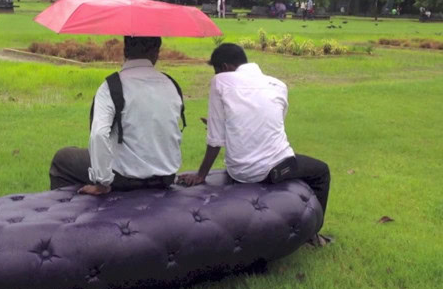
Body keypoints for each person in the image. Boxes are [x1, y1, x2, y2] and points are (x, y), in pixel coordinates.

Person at [178, 43, 331, 235]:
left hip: (244, 173)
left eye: (216, 70)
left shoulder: (220, 82)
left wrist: (201, 175)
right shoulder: (278, 85)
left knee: (319, 170)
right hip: (283, 166)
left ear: (224, 67)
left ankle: (312, 233)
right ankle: (314, 232)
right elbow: (267, 124)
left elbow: (215, 140)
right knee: (321, 172)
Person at [49, 36, 185, 195]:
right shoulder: (171, 84)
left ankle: (68, 213)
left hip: (125, 179)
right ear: (156, 53)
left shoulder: (112, 86)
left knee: (63, 159)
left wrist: (102, 182)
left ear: (125, 50)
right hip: (165, 178)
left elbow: (99, 135)